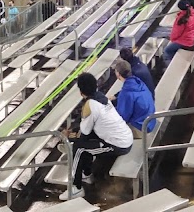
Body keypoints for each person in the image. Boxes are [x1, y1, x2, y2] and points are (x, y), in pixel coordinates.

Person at [59, 72, 133, 200]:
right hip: (125, 137)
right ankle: (87, 174)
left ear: (81, 92)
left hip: (117, 145)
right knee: (85, 143)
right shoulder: (101, 97)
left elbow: (85, 132)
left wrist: (70, 136)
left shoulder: (90, 105)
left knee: (79, 148)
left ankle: (76, 188)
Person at [113, 59, 156, 138]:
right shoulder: (139, 83)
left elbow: (122, 117)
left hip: (141, 128)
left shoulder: (126, 93)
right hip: (151, 121)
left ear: (118, 74)